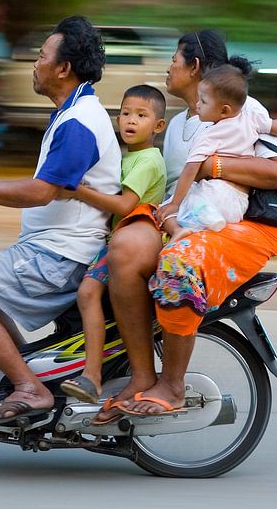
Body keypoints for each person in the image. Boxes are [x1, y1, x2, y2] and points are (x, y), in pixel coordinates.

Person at [0, 16, 121, 424]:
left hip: (59, 254)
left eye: (41, 56)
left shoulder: (79, 123)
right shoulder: (72, 113)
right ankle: (30, 378)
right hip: (51, 247)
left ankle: (28, 388)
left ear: (63, 68)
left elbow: (41, 191)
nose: (35, 63)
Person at [94, 29, 277, 423]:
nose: (168, 67)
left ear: (195, 67)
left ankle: (172, 384)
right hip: (181, 215)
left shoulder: (238, 108)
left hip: (238, 224)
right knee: (119, 252)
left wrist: (210, 166)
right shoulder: (179, 121)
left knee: (177, 265)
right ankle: (139, 374)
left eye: (174, 59)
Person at [58, 85, 167, 404]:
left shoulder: (147, 161)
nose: (130, 120)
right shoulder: (129, 157)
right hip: (114, 240)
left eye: (141, 115)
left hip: (128, 245)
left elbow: (124, 205)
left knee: (87, 292)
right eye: (125, 113)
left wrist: (78, 191)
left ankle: (91, 377)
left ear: (158, 126)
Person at [158, 63, 277, 241]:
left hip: (212, 196)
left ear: (224, 110)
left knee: (166, 210)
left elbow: (190, 170)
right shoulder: (252, 118)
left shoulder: (209, 135)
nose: (197, 105)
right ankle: (210, 220)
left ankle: (189, 226)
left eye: (203, 101)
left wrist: (174, 203)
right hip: (239, 204)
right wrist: (275, 124)